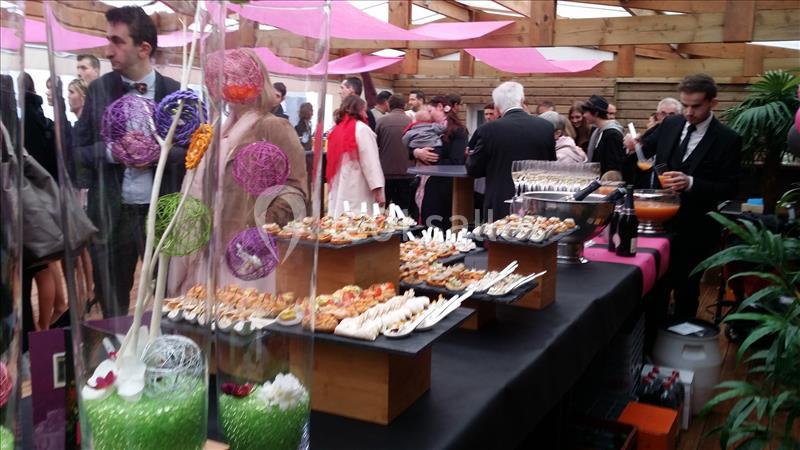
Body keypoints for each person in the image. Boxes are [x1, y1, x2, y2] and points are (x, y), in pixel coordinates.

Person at [73, 5, 186, 317]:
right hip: (111, 215)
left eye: (117, 41)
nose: (108, 51)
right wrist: (114, 152)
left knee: (167, 298)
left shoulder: (173, 93)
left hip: (160, 213)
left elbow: (189, 151)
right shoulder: (98, 90)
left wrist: (156, 154)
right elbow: (78, 149)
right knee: (112, 303)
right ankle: (115, 361)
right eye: (108, 40)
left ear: (144, 48)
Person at [170, 48, 308, 292]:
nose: (228, 84)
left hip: (247, 253)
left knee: (241, 314)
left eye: (235, 76)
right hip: (209, 245)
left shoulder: (273, 127)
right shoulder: (218, 130)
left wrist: (259, 228)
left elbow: (294, 190)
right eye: (223, 77)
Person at [625, 73, 741, 319]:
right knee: (654, 287)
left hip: (696, 228)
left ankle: (679, 343)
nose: (688, 112)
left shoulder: (728, 139)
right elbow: (645, 147)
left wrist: (691, 183)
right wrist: (634, 144)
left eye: (696, 106)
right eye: (685, 105)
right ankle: (649, 345)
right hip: (657, 223)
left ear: (713, 103)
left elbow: (731, 188)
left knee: (687, 290)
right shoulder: (670, 124)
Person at [466, 82, 555, 219]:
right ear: (521, 101)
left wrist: (470, 157)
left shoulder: (488, 130)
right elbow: (550, 164)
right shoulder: (546, 127)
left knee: (496, 239)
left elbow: (474, 169)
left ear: (496, 107)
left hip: (499, 201)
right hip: (535, 201)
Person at [408, 96, 468, 229]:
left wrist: (430, 160)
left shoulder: (458, 130)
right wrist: (416, 152)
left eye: (430, 111)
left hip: (444, 185)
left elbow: (456, 161)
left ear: (441, 107)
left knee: (437, 222)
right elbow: (411, 145)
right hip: (424, 180)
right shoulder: (427, 128)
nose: (428, 115)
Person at [326, 95, 384, 217]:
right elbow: (371, 162)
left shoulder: (335, 130)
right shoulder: (362, 130)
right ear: (357, 110)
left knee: (342, 221)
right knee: (359, 222)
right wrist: (378, 189)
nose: (367, 115)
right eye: (364, 110)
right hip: (357, 186)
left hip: (340, 186)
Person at [375, 94, 414, 214]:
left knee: (381, 210)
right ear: (404, 105)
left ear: (388, 105)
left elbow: (376, 145)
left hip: (386, 173)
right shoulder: (411, 122)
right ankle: (403, 232)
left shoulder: (381, 121)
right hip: (407, 172)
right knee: (404, 210)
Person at [582, 94, 625, 179]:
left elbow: (613, 168)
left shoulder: (612, 135)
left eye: (586, 112)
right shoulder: (597, 132)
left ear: (596, 113)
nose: (584, 115)